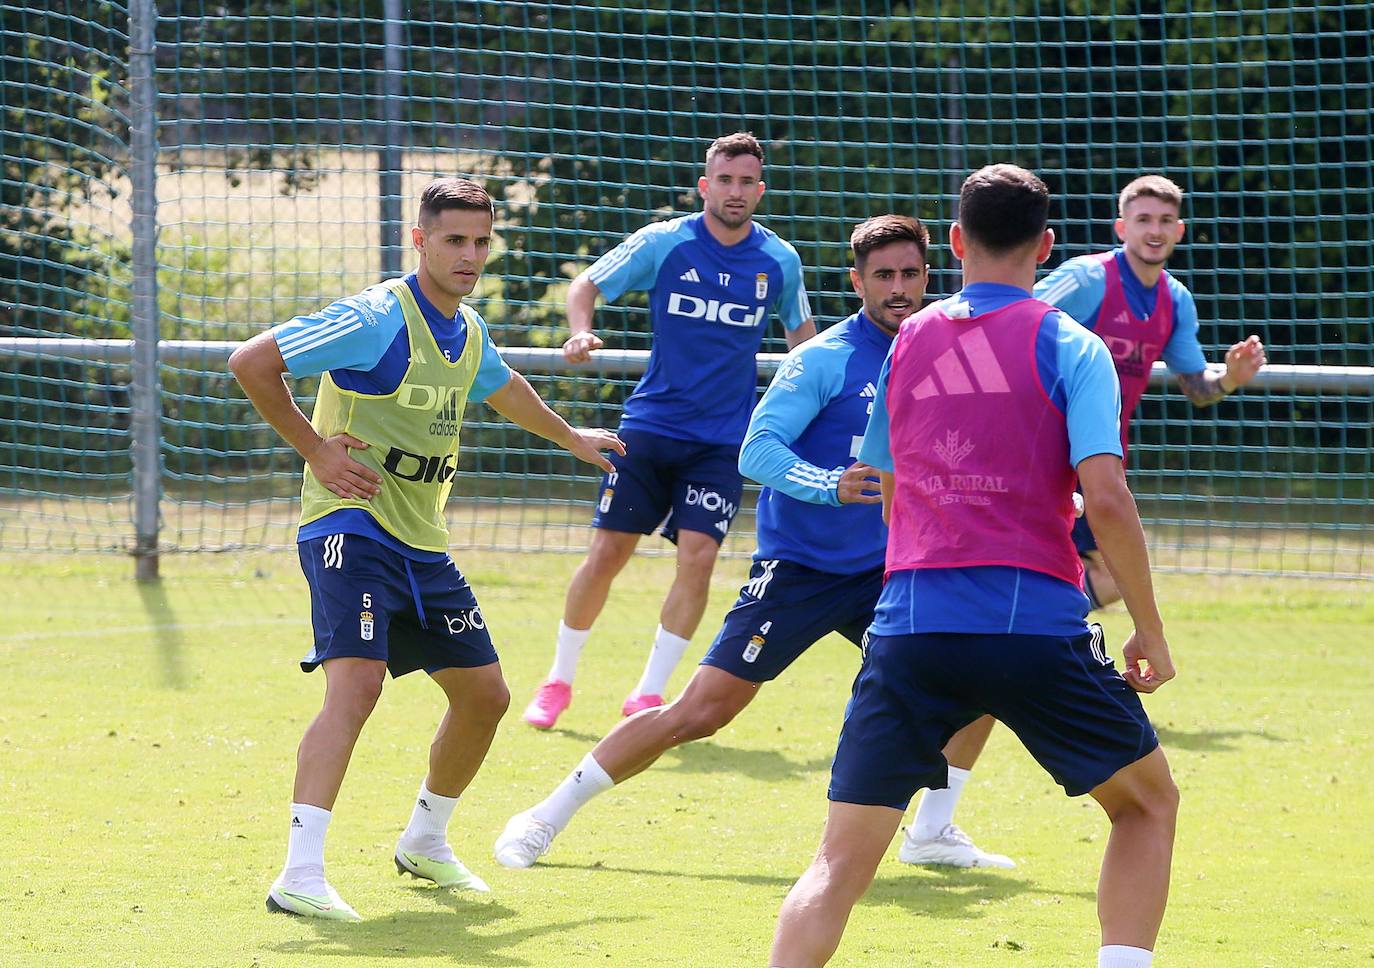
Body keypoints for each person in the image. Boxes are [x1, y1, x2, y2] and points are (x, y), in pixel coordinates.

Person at [494, 215, 1010, 871]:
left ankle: (932, 832)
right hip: (801, 570)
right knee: (702, 711)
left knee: (979, 675)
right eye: (884, 275)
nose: (899, 287)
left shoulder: (945, 356)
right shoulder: (822, 359)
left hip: (892, 570)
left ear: (929, 275)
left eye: (910, 273)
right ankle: (544, 816)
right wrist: (829, 485)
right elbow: (756, 452)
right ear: (857, 282)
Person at [770, 165, 1180, 968]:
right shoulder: (1073, 343)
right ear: (1048, 246)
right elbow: (1107, 497)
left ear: (955, 243)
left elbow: (886, 481)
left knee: (839, 861)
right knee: (1146, 806)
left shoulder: (909, 340)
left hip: (910, 626)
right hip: (1035, 623)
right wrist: (1149, 629)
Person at [229, 178, 623, 921]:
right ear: (420, 240)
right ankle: (300, 873)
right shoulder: (379, 317)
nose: (470, 255)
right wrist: (315, 450)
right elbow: (252, 361)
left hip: (420, 540)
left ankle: (426, 840)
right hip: (350, 524)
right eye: (454, 240)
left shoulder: (466, 329)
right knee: (358, 686)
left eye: (481, 242)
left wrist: (572, 439)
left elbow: (501, 387)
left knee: (486, 697)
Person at [521, 132, 817, 730]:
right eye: (724, 181)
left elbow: (803, 345)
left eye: (746, 183)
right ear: (705, 186)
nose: (735, 192)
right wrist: (580, 331)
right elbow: (586, 285)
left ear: (760, 190)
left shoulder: (779, 261)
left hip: (721, 442)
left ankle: (649, 694)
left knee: (700, 558)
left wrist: (815, 406)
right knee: (607, 553)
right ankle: (557, 680)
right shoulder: (666, 241)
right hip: (650, 427)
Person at [1033, 175, 1266, 608]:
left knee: (1111, 573)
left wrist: (1232, 378)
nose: (1154, 230)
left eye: (1164, 220)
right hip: (1038, 447)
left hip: (1099, 458)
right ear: (1122, 227)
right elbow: (1013, 321)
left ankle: (1038, 634)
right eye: (1143, 220)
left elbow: (1198, 389)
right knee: (1062, 563)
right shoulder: (1087, 279)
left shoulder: (1174, 300)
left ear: (1178, 230)